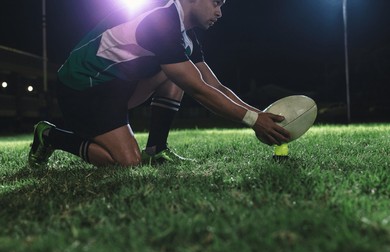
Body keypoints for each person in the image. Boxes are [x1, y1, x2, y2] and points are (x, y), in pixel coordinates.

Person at [28, 0, 290, 168]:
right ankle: (51, 136)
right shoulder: (161, 21)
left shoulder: (185, 35)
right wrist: (253, 121)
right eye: (216, 3)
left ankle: (156, 149)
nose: (219, 12)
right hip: (83, 89)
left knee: (179, 72)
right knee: (127, 162)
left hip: (116, 85)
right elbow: (200, 90)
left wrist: (259, 116)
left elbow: (214, 85)